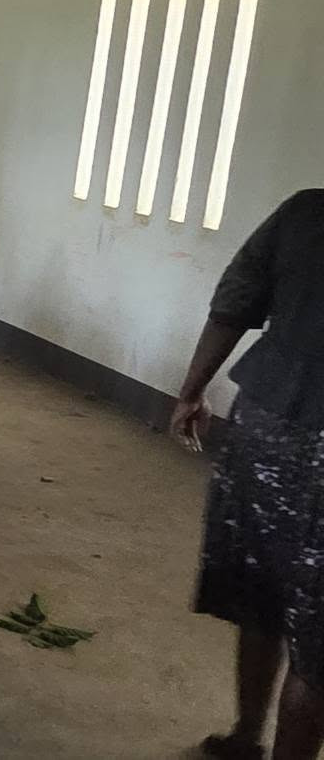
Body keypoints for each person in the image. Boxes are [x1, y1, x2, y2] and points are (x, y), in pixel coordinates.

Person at [175, 191, 324, 760]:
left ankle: (245, 737)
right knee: (318, 646)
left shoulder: (305, 213)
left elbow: (233, 305)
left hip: (267, 424)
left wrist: (191, 391)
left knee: (264, 592)